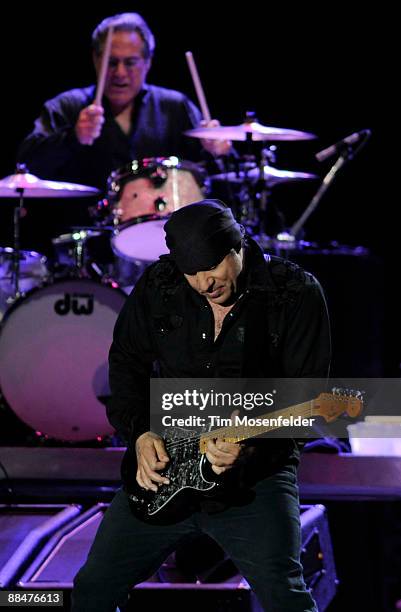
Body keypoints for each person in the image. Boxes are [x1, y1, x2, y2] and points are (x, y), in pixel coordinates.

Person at [72, 199, 331, 611]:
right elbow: (125, 364)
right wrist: (139, 433)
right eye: (191, 273)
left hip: (256, 478)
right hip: (167, 468)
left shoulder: (295, 293)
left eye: (211, 269)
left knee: (286, 597)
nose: (203, 283)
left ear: (236, 247)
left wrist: (248, 446)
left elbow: (306, 401)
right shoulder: (160, 284)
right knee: (92, 588)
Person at [17, 12, 230, 191]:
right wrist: (74, 137)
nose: (120, 73)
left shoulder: (175, 107)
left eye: (130, 63)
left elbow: (221, 180)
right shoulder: (65, 107)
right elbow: (26, 167)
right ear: (95, 59)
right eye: (111, 62)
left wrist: (217, 150)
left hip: (165, 234)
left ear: (148, 62)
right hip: (83, 235)